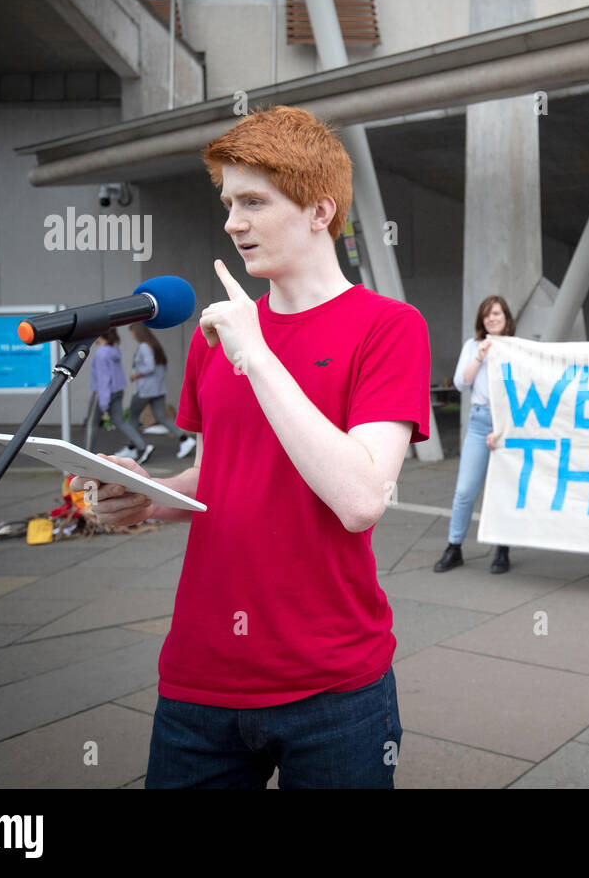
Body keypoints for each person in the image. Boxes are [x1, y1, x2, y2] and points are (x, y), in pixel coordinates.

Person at [73, 106, 431, 788]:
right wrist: (141, 499)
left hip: (333, 685)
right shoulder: (220, 335)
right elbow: (215, 481)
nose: (234, 221)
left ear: (320, 209)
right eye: (229, 203)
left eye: (254, 201)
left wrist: (260, 356)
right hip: (199, 679)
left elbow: (361, 498)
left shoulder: (387, 327)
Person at [433, 295, 514, 575]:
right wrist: (481, 356)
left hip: (506, 425)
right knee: (465, 490)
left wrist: (503, 429)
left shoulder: (516, 348)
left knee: (502, 491)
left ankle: (502, 549)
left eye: (497, 314)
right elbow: (460, 383)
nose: (492, 319)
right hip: (479, 422)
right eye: (487, 315)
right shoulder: (472, 346)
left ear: (506, 318)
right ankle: (454, 546)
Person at [126, 322, 197, 459]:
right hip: (158, 389)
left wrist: (136, 375)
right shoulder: (154, 346)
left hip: (145, 390)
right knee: (161, 417)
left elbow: (149, 367)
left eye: (132, 333)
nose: (132, 336)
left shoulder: (144, 347)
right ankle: (184, 439)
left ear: (137, 333)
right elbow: (161, 368)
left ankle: (135, 448)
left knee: (132, 419)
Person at [84, 328, 153, 463]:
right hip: (117, 391)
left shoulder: (101, 354)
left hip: (102, 393)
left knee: (92, 424)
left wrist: (103, 405)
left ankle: (86, 456)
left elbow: (104, 380)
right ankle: (143, 446)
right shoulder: (114, 350)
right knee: (120, 421)